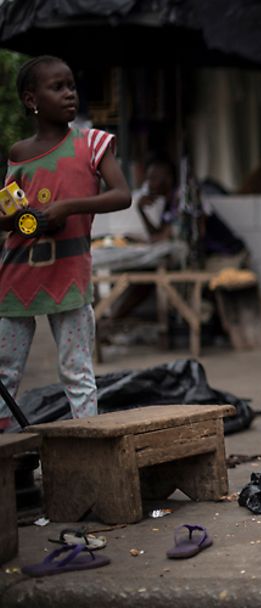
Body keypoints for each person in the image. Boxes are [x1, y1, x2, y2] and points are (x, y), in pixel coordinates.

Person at [0, 55, 131, 431]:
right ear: (31, 100)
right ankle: (12, 458)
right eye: (57, 87)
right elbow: (8, 213)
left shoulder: (93, 144)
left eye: (71, 85)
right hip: (18, 275)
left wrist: (66, 209)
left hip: (70, 275)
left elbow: (122, 195)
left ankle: (87, 446)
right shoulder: (19, 154)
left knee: (77, 371)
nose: (69, 94)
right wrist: (24, 219)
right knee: (6, 373)